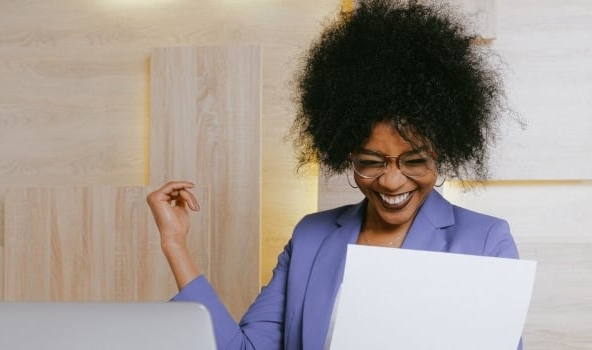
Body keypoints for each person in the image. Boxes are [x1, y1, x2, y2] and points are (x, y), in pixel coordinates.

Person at [146, 0, 521, 349]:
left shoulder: (485, 241)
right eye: (371, 162)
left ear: (441, 153)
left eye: (414, 160)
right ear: (347, 154)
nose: (391, 181)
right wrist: (175, 244)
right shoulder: (311, 237)